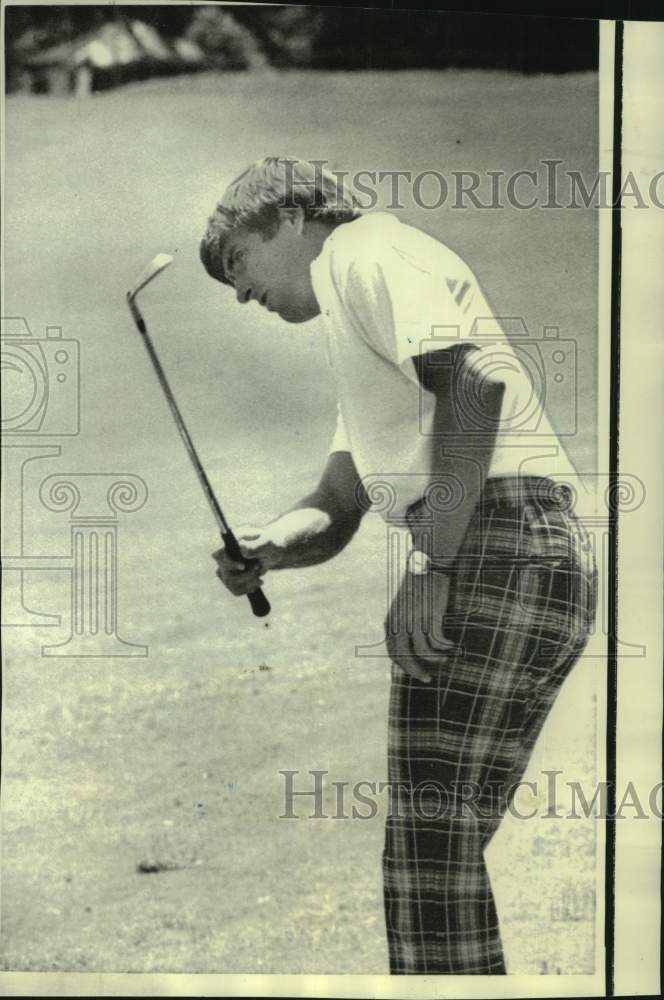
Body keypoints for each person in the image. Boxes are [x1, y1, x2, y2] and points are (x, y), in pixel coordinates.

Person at [200, 156, 598, 975]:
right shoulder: (361, 323)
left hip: (497, 543)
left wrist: (434, 566)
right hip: (530, 552)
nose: (242, 295)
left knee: (428, 858)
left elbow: (476, 387)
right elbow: (340, 504)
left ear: (287, 217)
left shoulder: (364, 253)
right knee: (439, 850)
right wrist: (271, 546)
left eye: (238, 264)